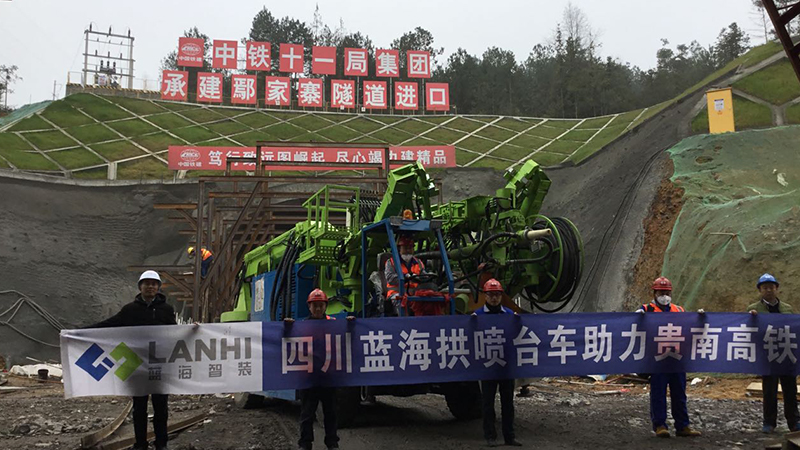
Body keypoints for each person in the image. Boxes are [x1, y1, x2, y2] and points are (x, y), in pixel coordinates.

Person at [88, 270, 177, 450]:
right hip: (136, 367)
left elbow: (176, 334)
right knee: (139, 409)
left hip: (159, 366)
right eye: (147, 283)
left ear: (158, 287)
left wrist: (194, 331)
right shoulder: (130, 310)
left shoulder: (166, 310)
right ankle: (140, 444)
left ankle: (162, 444)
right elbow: (110, 324)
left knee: (161, 408)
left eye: (154, 283)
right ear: (140, 287)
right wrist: (80, 332)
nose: (150, 286)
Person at [636, 276, 702, 438]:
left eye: (666, 292)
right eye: (661, 292)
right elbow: (634, 327)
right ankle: (660, 425)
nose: (664, 295)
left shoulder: (679, 310)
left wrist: (699, 319)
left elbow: (688, 328)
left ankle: (682, 426)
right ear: (654, 293)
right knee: (658, 393)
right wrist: (637, 316)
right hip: (657, 359)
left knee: (679, 393)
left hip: (677, 359)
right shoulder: (646, 310)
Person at [285, 289, 346, 450]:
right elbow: (287, 340)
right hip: (309, 378)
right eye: (315, 306)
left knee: (331, 412)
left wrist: (352, 324)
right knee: (307, 414)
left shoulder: (333, 323)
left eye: (321, 305)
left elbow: (347, 335)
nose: (318, 309)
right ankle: (305, 443)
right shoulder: (301, 326)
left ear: (325, 306)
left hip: (328, 376)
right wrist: (288, 328)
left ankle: (332, 442)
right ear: (309, 307)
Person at [747, 273, 799, 433]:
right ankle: (769, 422)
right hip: (767, 355)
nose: (768, 290)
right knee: (769, 389)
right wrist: (752, 319)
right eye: (765, 288)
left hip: (786, 353)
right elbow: (749, 331)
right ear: (760, 290)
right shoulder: (753, 310)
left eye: (771, 287)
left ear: (776, 289)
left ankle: (794, 421)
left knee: (789, 388)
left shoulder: (787, 309)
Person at [473, 278, 521, 447]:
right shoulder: (477, 316)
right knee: (487, 403)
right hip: (488, 367)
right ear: (485, 296)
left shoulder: (509, 315)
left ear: (501, 296)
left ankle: (510, 437)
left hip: (506, 367)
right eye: (491, 295)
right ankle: (490, 436)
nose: (494, 298)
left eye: (497, 295)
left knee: (508, 403)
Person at [385, 235, 442, 316]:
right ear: (399, 249)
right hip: (396, 293)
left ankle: (430, 323)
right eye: (405, 247)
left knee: (432, 298)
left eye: (410, 247)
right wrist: (406, 277)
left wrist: (428, 276)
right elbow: (390, 278)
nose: (408, 250)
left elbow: (423, 275)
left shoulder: (418, 262)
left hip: (415, 294)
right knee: (402, 301)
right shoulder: (391, 262)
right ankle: (405, 324)